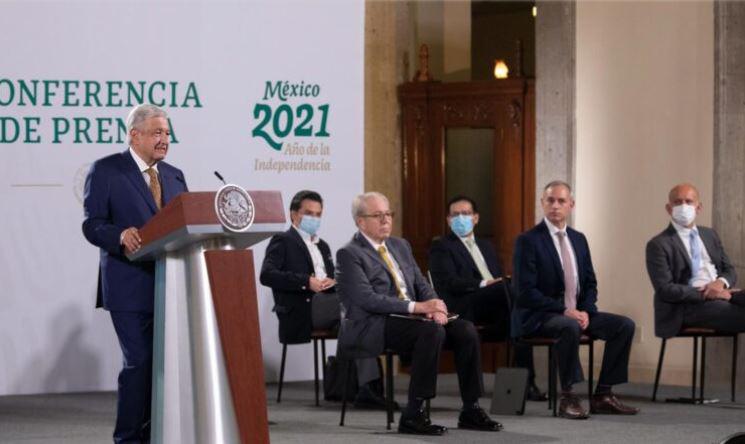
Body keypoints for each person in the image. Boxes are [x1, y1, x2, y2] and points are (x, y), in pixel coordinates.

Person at [336, 192, 502, 435]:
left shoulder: (400, 245)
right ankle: (413, 414)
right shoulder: (349, 254)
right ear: (361, 221)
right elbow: (367, 300)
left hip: (412, 318)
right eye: (378, 215)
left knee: (465, 330)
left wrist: (436, 305)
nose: (385, 220)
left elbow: (421, 283)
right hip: (374, 323)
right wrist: (418, 308)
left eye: (388, 214)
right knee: (430, 332)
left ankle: (471, 408)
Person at [82, 103, 188, 443]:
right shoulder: (107, 170)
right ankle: (128, 438)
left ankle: (157, 434)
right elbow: (92, 224)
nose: (164, 139)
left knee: (165, 367)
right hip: (128, 286)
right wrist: (119, 236)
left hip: (170, 285)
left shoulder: (175, 176)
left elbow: (186, 224)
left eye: (167, 133)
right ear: (134, 134)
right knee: (139, 362)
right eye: (157, 132)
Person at [512, 180, 638, 419]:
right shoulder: (528, 240)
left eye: (561, 201)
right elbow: (525, 292)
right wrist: (564, 310)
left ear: (571, 204)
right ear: (542, 203)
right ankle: (568, 397)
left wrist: (587, 311)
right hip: (540, 316)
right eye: (550, 200)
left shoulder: (578, 239)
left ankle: (603, 395)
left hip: (577, 313)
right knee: (568, 326)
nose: (555, 206)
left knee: (624, 326)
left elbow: (590, 283)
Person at [260, 190, 384, 408]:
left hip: (329, 307)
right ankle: (367, 388)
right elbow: (267, 275)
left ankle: (361, 387)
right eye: (309, 213)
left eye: (318, 214)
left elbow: (333, 278)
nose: (314, 218)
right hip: (302, 309)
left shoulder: (323, 245)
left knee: (357, 320)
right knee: (361, 306)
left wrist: (332, 282)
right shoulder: (283, 241)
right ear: (294, 214)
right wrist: (306, 281)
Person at [428, 195, 546, 401]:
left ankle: (525, 382)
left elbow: (498, 278)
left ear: (475, 218)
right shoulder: (442, 246)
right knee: (514, 298)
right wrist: (485, 284)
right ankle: (527, 380)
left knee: (518, 310)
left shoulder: (486, 246)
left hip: (496, 304)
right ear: (448, 220)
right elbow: (449, 283)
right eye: (455, 214)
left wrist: (499, 284)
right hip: (465, 305)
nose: (460, 218)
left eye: (465, 213)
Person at [646, 183, 745, 340]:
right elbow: (665, 289)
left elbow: (729, 270)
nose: (683, 206)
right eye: (678, 202)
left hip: (722, 293)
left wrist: (720, 283)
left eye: (689, 201)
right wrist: (707, 294)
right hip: (688, 305)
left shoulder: (710, 235)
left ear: (698, 208)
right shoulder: (658, 244)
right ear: (669, 208)